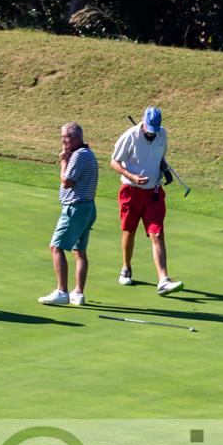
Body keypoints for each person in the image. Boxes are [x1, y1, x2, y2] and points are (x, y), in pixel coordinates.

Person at [109, 107, 184, 295]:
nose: (152, 134)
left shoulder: (162, 134)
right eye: (150, 130)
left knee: (157, 233)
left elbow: (159, 158)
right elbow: (114, 162)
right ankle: (126, 267)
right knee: (129, 231)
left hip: (153, 193)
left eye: (155, 130)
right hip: (130, 191)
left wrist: (165, 170)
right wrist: (131, 176)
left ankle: (163, 279)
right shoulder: (130, 136)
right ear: (143, 123)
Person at [39, 122, 98, 306]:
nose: (63, 141)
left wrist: (63, 161)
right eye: (62, 137)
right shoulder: (87, 154)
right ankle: (78, 294)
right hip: (88, 207)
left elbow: (67, 182)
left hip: (75, 208)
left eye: (66, 137)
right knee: (79, 251)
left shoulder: (79, 156)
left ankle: (62, 292)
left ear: (77, 138)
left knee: (56, 247)